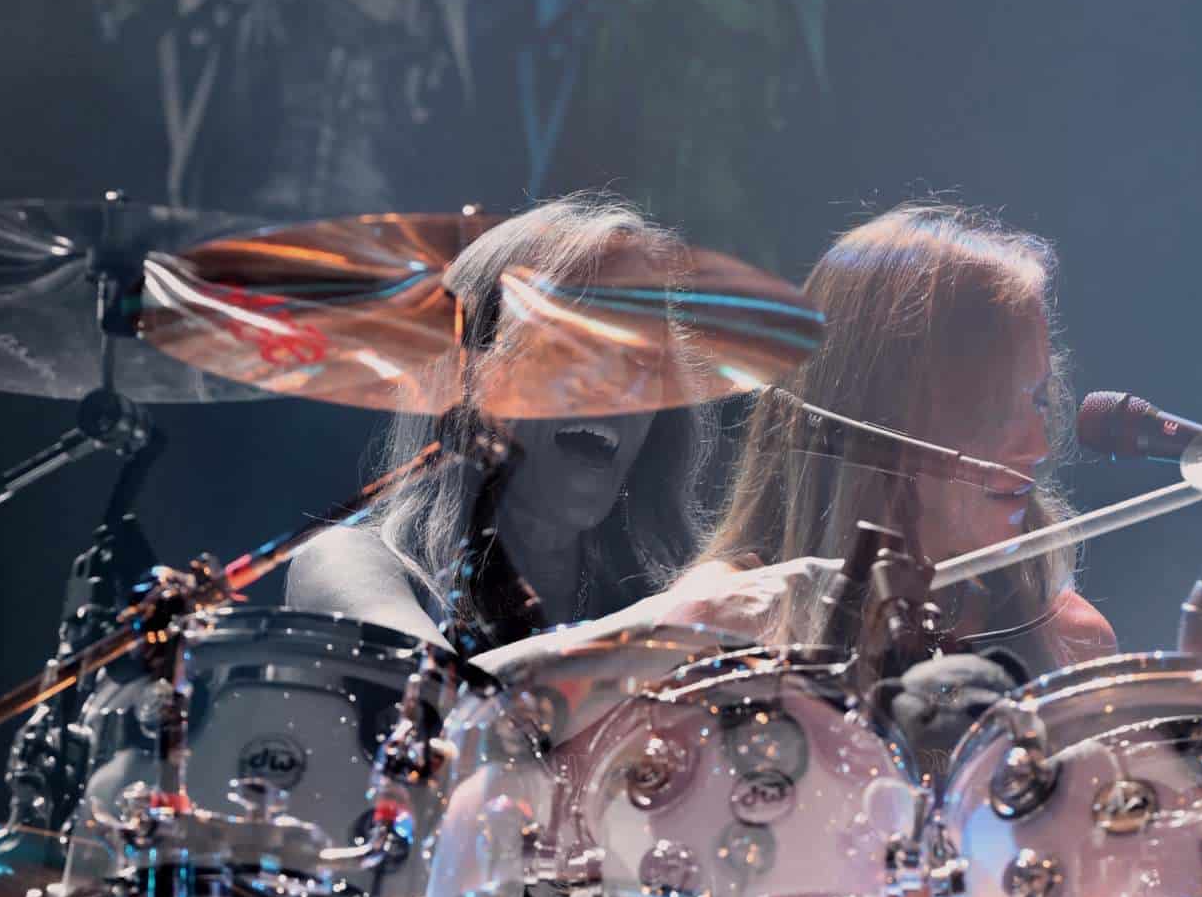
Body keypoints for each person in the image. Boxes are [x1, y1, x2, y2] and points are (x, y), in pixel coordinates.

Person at [672, 201, 1116, 675]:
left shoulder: (1073, 644)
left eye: (1038, 401)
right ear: (881, 410)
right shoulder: (708, 632)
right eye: (995, 405)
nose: (1037, 446)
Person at [286, 194, 710, 648]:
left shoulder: (663, 598)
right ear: (471, 376)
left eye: (643, 359)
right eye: (574, 346)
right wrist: (668, 627)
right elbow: (440, 687)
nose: (617, 385)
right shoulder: (345, 564)